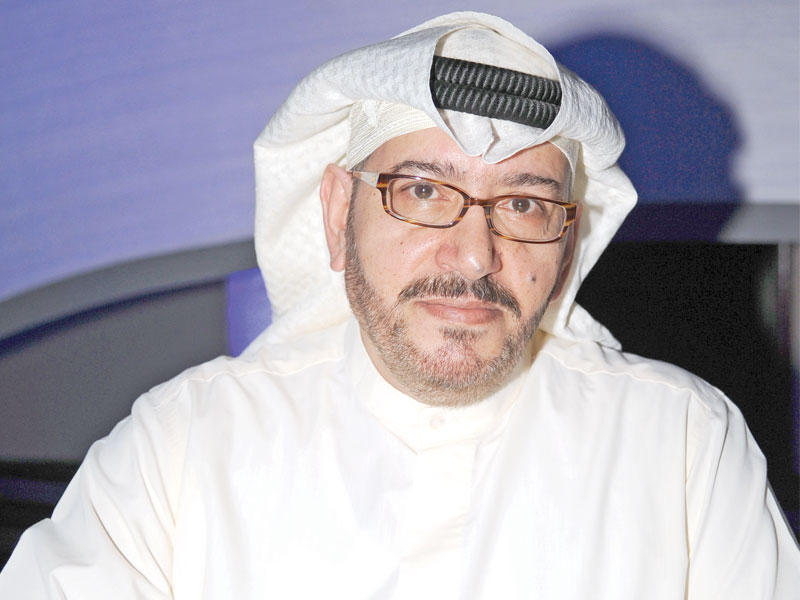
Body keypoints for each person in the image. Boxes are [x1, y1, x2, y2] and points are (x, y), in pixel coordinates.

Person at [1, 11, 798, 599]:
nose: (474, 256)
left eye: (523, 204)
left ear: (569, 236)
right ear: (335, 213)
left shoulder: (681, 443)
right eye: (422, 191)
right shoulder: (182, 447)